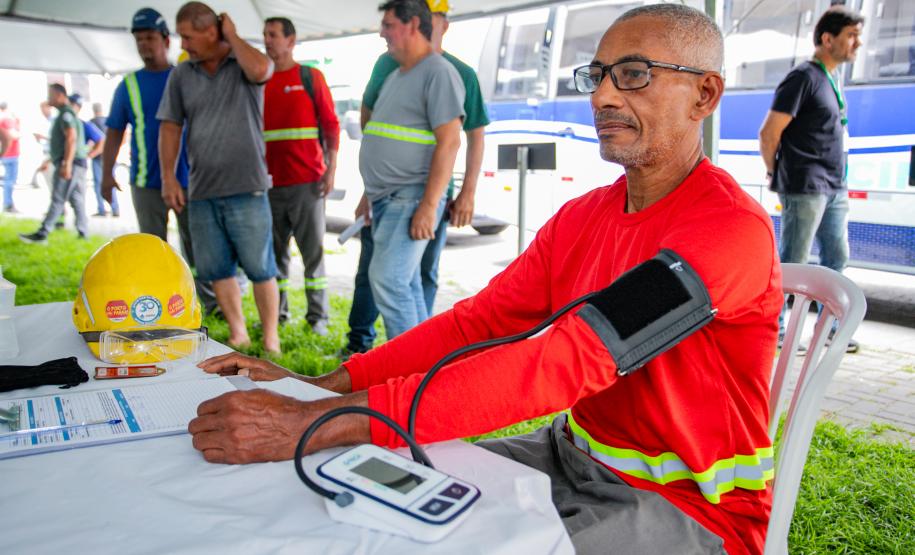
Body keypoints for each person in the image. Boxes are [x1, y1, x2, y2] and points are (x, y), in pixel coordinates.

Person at [189, 5, 782, 555]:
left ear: (704, 94)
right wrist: (324, 386)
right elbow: (481, 322)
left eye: (632, 74)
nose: (601, 95)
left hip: (689, 510)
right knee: (361, 501)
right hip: (567, 456)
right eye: (597, 75)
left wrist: (322, 419)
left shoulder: (727, 233)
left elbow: (564, 361)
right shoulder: (583, 217)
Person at [344, 0, 488, 355]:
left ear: (411, 25)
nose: (382, 32)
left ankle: (414, 372)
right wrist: (370, 192)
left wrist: (428, 205)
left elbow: (451, 140)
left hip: (410, 199)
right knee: (403, 284)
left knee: (388, 280)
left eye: (388, 24)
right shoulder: (397, 73)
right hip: (389, 198)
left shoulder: (438, 72)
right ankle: (429, 369)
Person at [157, 2, 280, 352]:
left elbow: (262, 69)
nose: (182, 44)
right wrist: (169, 177)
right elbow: (169, 127)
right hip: (203, 189)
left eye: (188, 36)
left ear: (212, 31)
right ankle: (238, 332)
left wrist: (234, 36)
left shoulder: (243, 62)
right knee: (215, 267)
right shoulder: (181, 74)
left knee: (261, 266)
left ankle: (271, 338)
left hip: (247, 186)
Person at [102, 7, 221, 316]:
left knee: (198, 248)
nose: (145, 45)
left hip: (191, 181)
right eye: (139, 39)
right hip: (145, 183)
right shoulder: (128, 85)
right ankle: (159, 306)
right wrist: (106, 174)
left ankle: (208, 305)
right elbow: (114, 131)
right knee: (153, 250)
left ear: (166, 40)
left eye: (150, 38)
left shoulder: (185, 76)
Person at [759, 6, 863, 354]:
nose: (857, 44)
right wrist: (777, 173)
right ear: (827, 38)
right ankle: (778, 334)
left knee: (837, 259)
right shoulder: (803, 77)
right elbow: (770, 132)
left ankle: (832, 332)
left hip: (834, 187)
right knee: (794, 263)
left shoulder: (832, 78)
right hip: (804, 187)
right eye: (851, 35)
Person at [262, 16, 340, 336]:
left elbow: (332, 127)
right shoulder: (258, 80)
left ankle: (317, 318)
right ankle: (277, 316)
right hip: (269, 186)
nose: (267, 41)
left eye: (273, 35)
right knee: (274, 257)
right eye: (264, 35)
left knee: (313, 255)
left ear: (291, 41)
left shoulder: (310, 77)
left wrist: (331, 169)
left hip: (308, 184)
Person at [19, 84, 89, 243]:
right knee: (76, 198)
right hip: (74, 162)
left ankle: (43, 233)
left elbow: (71, 138)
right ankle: (83, 232)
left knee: (58, 197)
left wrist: (67, 163)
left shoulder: (66, 114)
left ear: (59, 95)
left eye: (50, 95)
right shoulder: (66, 114)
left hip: (71, 163)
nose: (48, 99)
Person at [89, 102, 118, 217]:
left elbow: (93, 141)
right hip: (110, 156)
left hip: (97, 157)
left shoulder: (92, 123)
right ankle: (115, 208)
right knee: (111, 182)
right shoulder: (109, 121)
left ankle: (101, 209)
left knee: (98, 183)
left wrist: (90, 153)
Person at [0, 101, 20, 213]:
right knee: (9, 181)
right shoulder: (6, 120)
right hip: (10, 154)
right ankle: (8, 204)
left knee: (9, 180)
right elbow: (10, 137)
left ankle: (8, 204)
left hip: (8, 154)